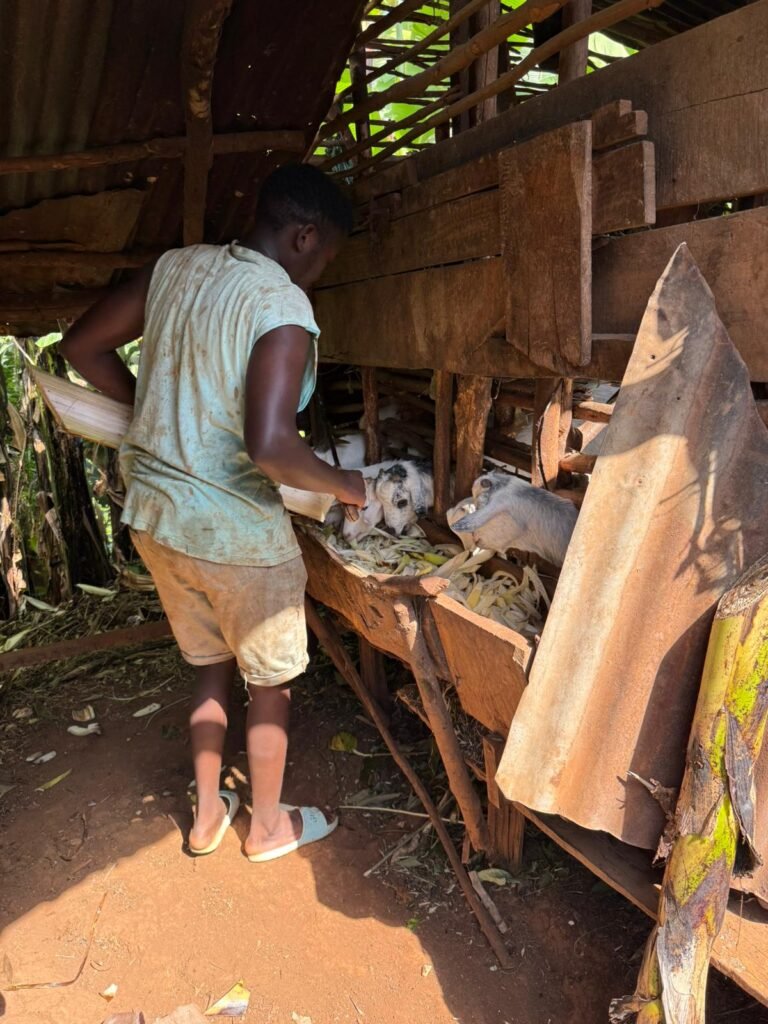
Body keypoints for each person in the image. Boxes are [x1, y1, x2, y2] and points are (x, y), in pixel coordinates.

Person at [60, 164, 366, 861]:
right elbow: (271, 448)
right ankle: (265, 827)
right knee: (271, 683)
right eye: (324, 259)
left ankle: (205, 817)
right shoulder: (281, 309)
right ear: (305, 235)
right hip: (235, 535)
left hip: (157, 520)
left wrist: (159, 415)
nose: (317, 273)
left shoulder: (177, 270)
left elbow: (81, 345)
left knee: (208, 666)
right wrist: (347, 485)